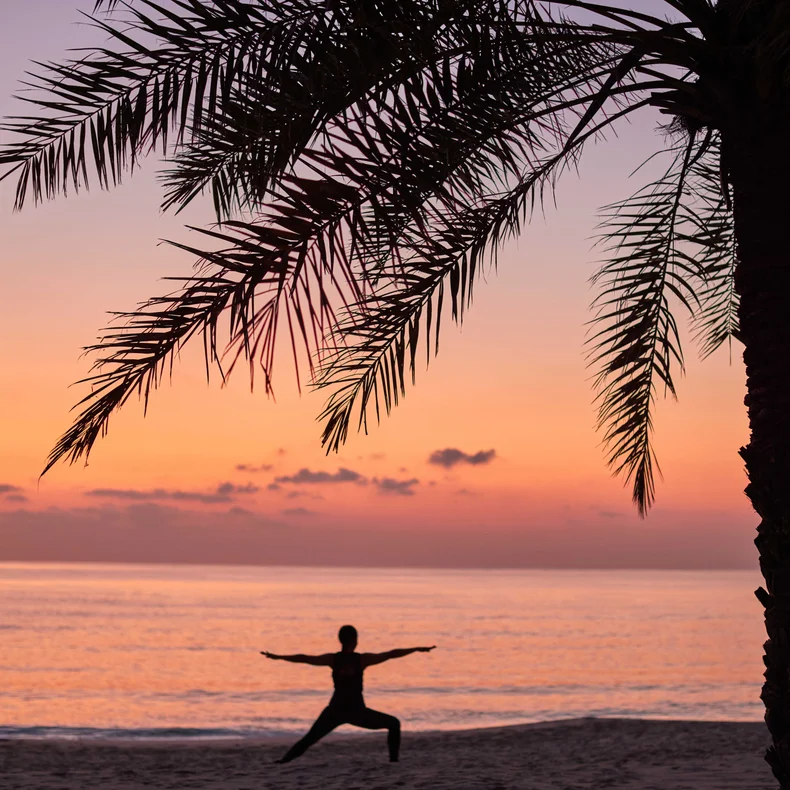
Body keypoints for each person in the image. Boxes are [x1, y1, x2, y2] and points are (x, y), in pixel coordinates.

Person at [261, 625, 435, 763]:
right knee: (394, 724)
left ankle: (285, 760)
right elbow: (391, 654)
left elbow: (305, 658)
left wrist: (279, 657)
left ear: (340, 640)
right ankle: (394, 761)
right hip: (355, 712)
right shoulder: (362, 659)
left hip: (336, 710)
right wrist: (417, 649)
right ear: (355, 640)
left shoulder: (333, 659)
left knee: (310, 738)